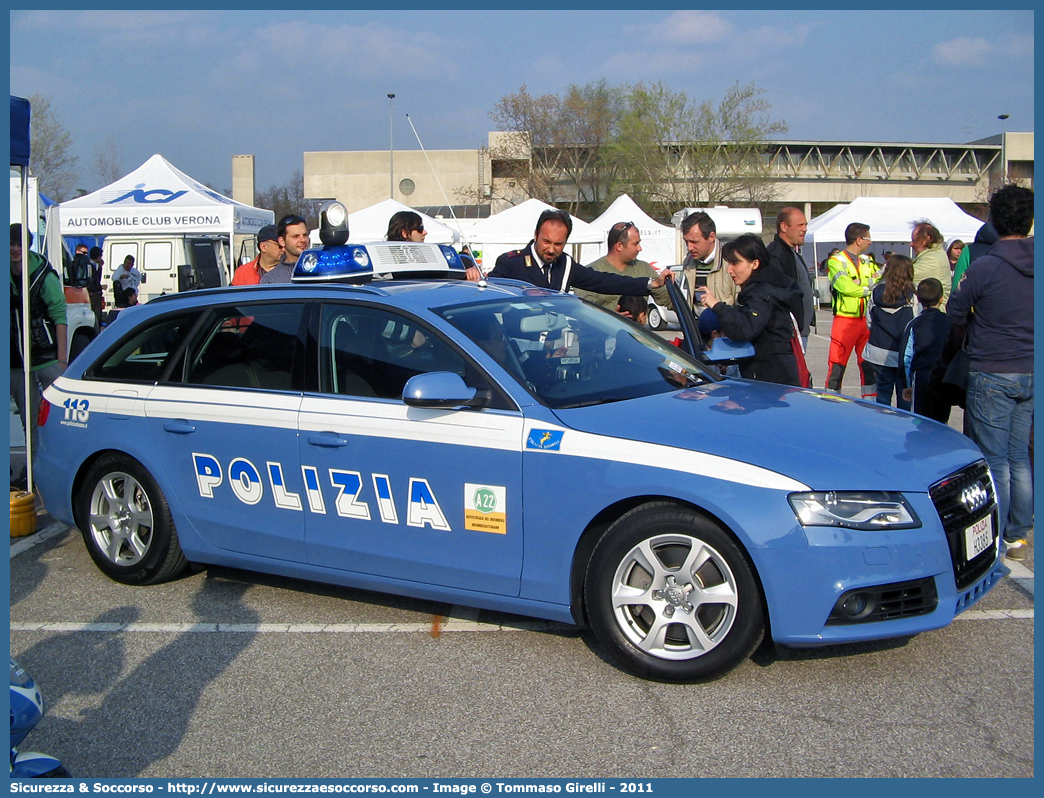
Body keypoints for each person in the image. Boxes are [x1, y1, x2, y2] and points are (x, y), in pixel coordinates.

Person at [946, 184, 1034, 561]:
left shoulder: (984, 267)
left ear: (994, 221)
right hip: (1030, 367)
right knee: (1020, 455)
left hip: (992, 367)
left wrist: (975, 325)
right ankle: (1019, 531)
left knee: (994, 458)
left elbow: (955, 312)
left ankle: (994, 533)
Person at [487, 209, 671, 296]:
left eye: (558, 244)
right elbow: (487, 295)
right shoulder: (511, 263)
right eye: (546, 242)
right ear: (536, 235)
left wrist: (652, 283)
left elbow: (604, 281)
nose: (551, 250)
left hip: (554, 350)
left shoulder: (565, 264)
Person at [698, 233, 803, 386]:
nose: (729, 270)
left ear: (755, 264)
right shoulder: (770, 286)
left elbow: (745, 329)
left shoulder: (761, 294)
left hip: (772, 380)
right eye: (729, 263)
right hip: (778, 373)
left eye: (735, 263)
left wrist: (717, 306)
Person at [10, 224, 67, 453]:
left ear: (28, 246)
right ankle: (32, 469)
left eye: (19, 244)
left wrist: (62, 361)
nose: (15, 249)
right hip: (16, 361)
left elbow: (59, 315)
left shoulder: (42, 274)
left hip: (46, 358)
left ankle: (54, 465)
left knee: (55, 418)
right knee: (29, 419)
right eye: (11, 244)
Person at [574, 221, 672, 313]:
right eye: (635, 244)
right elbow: (584, 312)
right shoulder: (590, 273)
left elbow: (669, 300)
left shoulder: (644, 268)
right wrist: (613, 318)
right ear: (619, 246)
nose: (640, 248)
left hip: (636, 331)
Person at [825, 222, 876, 398]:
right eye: (869, 238)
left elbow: (879, 280)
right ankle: (832, 403)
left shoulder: (867, 260)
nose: (871, 242)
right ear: (859, 239)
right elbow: (844, 286)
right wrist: (866, 288)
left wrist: (860, 285)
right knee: (837, 365)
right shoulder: (836, 261)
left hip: (866, 320)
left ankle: (871, 405)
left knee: (869, 366)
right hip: (845, 321)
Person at [864, 254, 915, 410]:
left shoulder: (876, 292)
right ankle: (902, 428)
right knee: (905, 395)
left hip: (879, 350)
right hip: (903, 354)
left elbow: (869, 321)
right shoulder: (913, 296)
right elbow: (917, 323)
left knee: (883, 394)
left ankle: (882, 426)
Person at [898, 278, 949, 417]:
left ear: (918, 299)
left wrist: (907, 384)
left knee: (920, 419)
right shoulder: (949, 322)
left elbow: (906, 357)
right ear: (941, 298)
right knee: (941, 420)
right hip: (944, 375)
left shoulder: (914, 323)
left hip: (922, 376)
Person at [766, 207, 815, 348]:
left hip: (798, 333)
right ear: (784, 227)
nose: (805, 229)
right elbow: (779, 297)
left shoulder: (791, 253)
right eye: (800, 225)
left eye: (805, 225)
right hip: (788, 336)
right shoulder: (776, 255)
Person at [680, 211, 736, 310]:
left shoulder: (731, 262)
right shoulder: (688, 262)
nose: (689, 247)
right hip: (695, 325)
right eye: (686, 241)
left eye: (694, 242)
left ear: (711, 237)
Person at [910, 220, 951, 309]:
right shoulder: (935, 254)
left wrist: (890, 267)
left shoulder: (932, 260)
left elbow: (901, 276)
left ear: (926, 239)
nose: (911, 244)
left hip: (933, 316)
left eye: (914, 240)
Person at [260, 214, 310, 284]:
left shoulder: (320, 271)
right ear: (282, 241)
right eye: (295, 236)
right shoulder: (270, 280)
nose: (303, 240)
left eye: (305, 235)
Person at [87, 245, 104, 330]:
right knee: (96, 315)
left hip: (91, 294)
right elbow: (95, 280)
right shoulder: (90, 266)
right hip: (94, 294)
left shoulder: (91, 265)